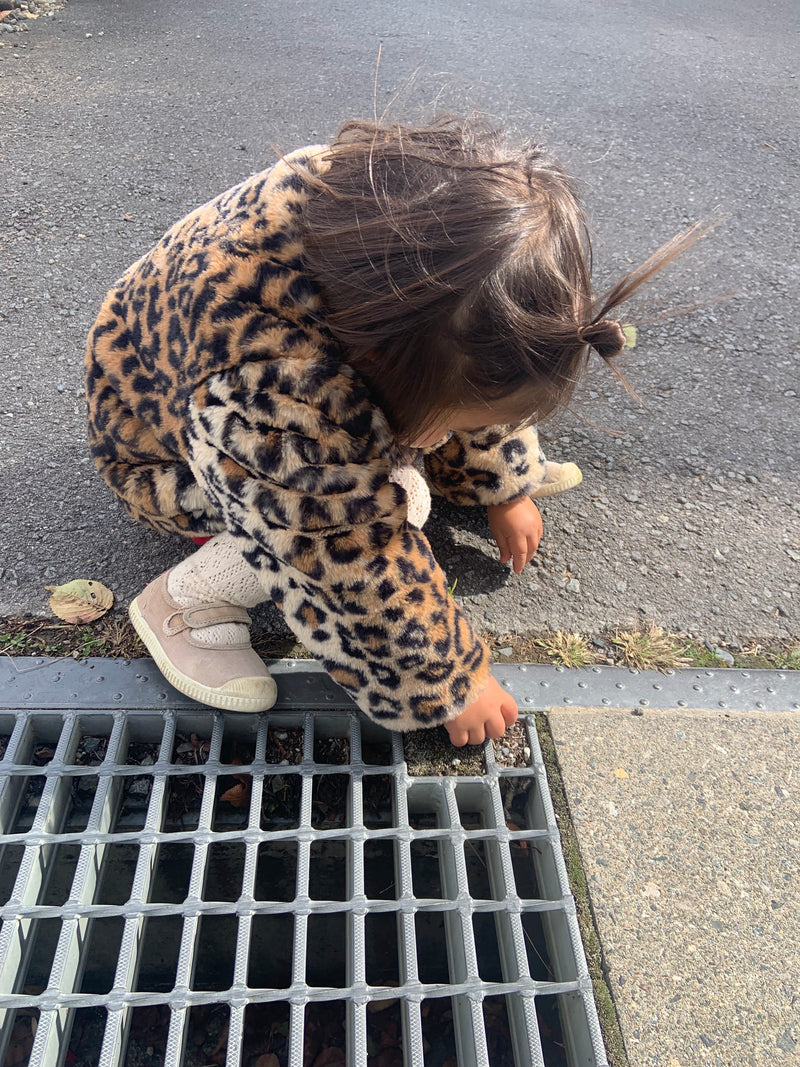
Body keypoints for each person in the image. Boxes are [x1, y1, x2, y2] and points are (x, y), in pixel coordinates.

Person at [85, 116, 701, 746]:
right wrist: (450, 679)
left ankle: (453, 450)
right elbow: (338, 548)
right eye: (467, 425)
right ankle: (184, 604)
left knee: (455, 385)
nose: (475, 428)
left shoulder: (403, 228)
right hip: (168, 458)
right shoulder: (269, 388)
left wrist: (503, 485)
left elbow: (474, 353)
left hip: (243, 386)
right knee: (402, 497)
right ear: (378, 368)